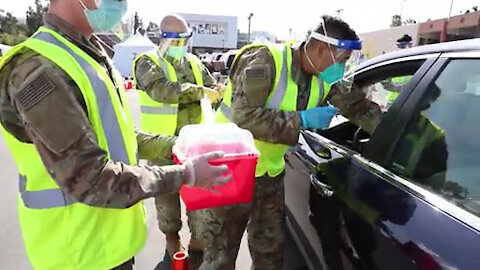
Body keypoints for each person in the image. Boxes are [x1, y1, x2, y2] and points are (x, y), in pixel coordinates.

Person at [0, 1, 231, 269]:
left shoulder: (87, 55)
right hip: (78, 254)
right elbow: (90, 178)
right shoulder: (40, 69)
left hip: (108, 246)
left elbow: (117, 135)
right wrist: (188, 174)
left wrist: (179, 145)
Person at [190, 15, 379, 270]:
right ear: (322, 49)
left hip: (269, 173)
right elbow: (244, 117)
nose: (343, 68)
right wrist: (302, 119)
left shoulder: (325, 77)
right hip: (230, 171)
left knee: (270, 255)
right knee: (220, 257)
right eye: (343, 60)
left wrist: (425, 135)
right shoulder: (265, 61)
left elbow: (359, 107)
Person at [132, 14, 223, 264]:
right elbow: (161, 90)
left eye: (185, 38)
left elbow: (211, 85)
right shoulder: (146, 62)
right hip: (161, 145)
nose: (181, 44)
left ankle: (197, 239)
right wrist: (200, 91)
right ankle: (172, 237)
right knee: (167, 199)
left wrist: (218, 91)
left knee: (199, 195)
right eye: (176, 39)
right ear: (162, 37)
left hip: (194, 145)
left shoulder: (193, 62)